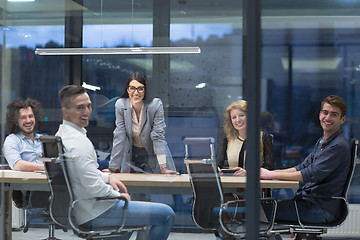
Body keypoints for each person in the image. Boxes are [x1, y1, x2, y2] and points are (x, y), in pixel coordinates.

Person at [56, 85, 174, 240]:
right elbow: (93, 187)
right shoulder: (78, 143)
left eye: (89, 106)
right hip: (95, 212)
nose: (86, 112)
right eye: (80, 108)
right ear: (65, 111)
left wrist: (107, 177)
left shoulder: (63, 135)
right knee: (166, 214)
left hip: (83, 209)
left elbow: (81, 172)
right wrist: (118, 196)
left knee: (137, 213)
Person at [260, 95, 350, 224]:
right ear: (320, 115)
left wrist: (269, 175)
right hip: (309, 203)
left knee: (256, 210)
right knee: (260, 208)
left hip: (319, 209)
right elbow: (302, 167)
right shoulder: (323, 141)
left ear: (342, 119)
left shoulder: (338, 145)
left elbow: (309, 175)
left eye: (334, 115)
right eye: (325, 113)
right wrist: (268, 174)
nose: (328, 118)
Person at [108, 72, 177, 174]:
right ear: (127, 89)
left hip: (154, 154)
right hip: (131, 155)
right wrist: (113, 167)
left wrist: (163, 168)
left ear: (145, 90)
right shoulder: (121, 105)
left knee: (156, 185)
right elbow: (120, 136)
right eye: (132, 88)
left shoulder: (155, 105)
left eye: (140, 88)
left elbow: (158, 136)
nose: (136, 93)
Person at [217, 100, 273, 176]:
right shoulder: (227, 139)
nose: (238, 120)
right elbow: (219, 164)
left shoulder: (264, 138)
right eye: (234, 117)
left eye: (241, 115)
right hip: (231, 185)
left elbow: (269, 168)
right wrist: (218, 170)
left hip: (256, 186)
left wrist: (249, 174)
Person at [3, 98, 44, 171]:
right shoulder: (12, 140)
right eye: (23, 117)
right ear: (16, 121)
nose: (28, 121)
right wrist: (45, 168)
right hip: (24, 181)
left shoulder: (44, 139)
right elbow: (17, 165)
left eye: (30, 116)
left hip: (48, 182)